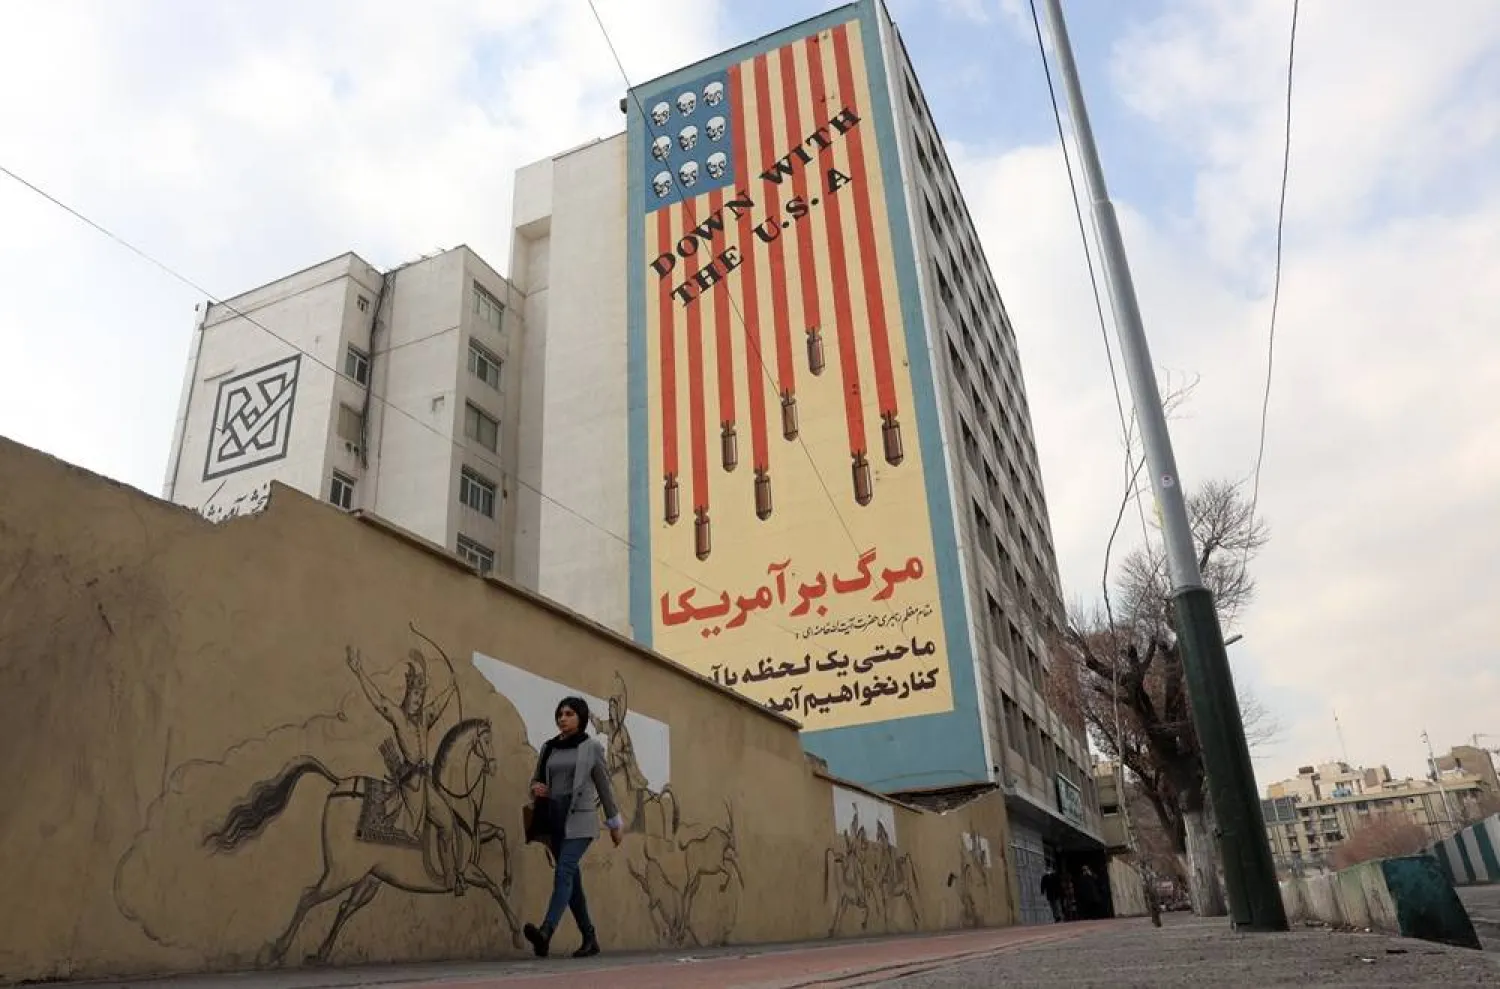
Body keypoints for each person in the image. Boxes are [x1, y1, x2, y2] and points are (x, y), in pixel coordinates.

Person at [522, 696, 624, 958]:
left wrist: (614, 822)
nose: (562, 718)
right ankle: (590, 938)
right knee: (571, 882)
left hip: (581, 820)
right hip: (554, 818)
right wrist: (536, 787)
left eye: (568, 714)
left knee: (564, 871)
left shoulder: (591, 748)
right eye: (560, 714)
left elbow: (604, 786)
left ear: (580, 717)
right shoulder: (549, 748)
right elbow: (536, 779)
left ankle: (546, 931)